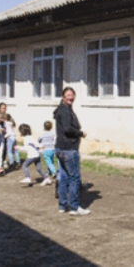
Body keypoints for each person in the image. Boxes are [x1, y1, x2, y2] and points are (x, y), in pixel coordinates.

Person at [54, 87, 90, 215]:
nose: (70, 97)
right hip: (68, 148)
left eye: (72, 95)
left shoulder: (63, 109)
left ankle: (62, 205)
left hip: (61, 148)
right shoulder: (64, 111)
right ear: (63, 97)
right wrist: (80, 133)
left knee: (64, 177)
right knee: (74, 178)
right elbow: (67, 129)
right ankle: (74, 206)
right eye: (67, 95)